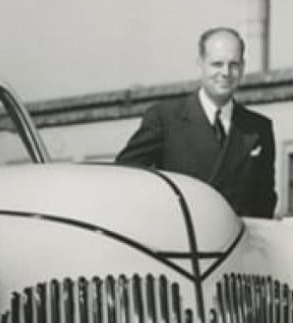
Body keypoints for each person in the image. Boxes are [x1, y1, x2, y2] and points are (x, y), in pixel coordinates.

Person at [115, 27, 277, 218]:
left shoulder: (258, 128)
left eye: (234, 64)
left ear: (243, 67)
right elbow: (125, 177)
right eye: (217, 64)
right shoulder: (165, 118)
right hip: (181, 239)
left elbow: (265, 200)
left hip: (235, 242)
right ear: (200, 63)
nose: (226, 72)